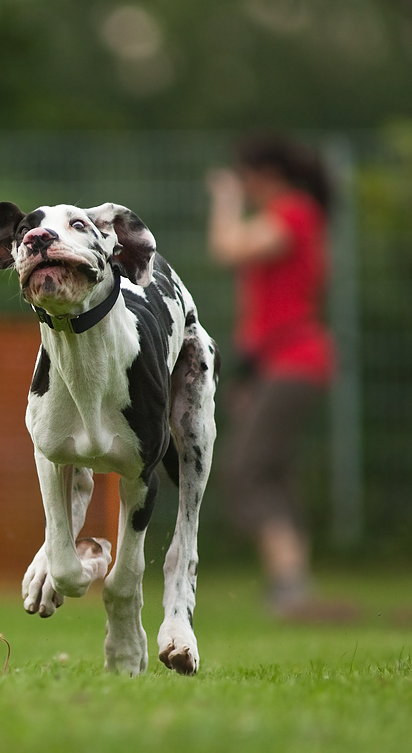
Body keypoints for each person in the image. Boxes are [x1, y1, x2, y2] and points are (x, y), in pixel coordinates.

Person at [206, 134, 341, 619]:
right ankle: (292, 583)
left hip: (296, 359)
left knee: (247, 469)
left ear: (263, 175)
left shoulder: (294, 212)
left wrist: (224, 202)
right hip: (276, 362)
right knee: (274, 470)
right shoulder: (290, 213)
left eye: (244, 176)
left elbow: (228, 247)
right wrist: (248, 377)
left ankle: (290, 583)